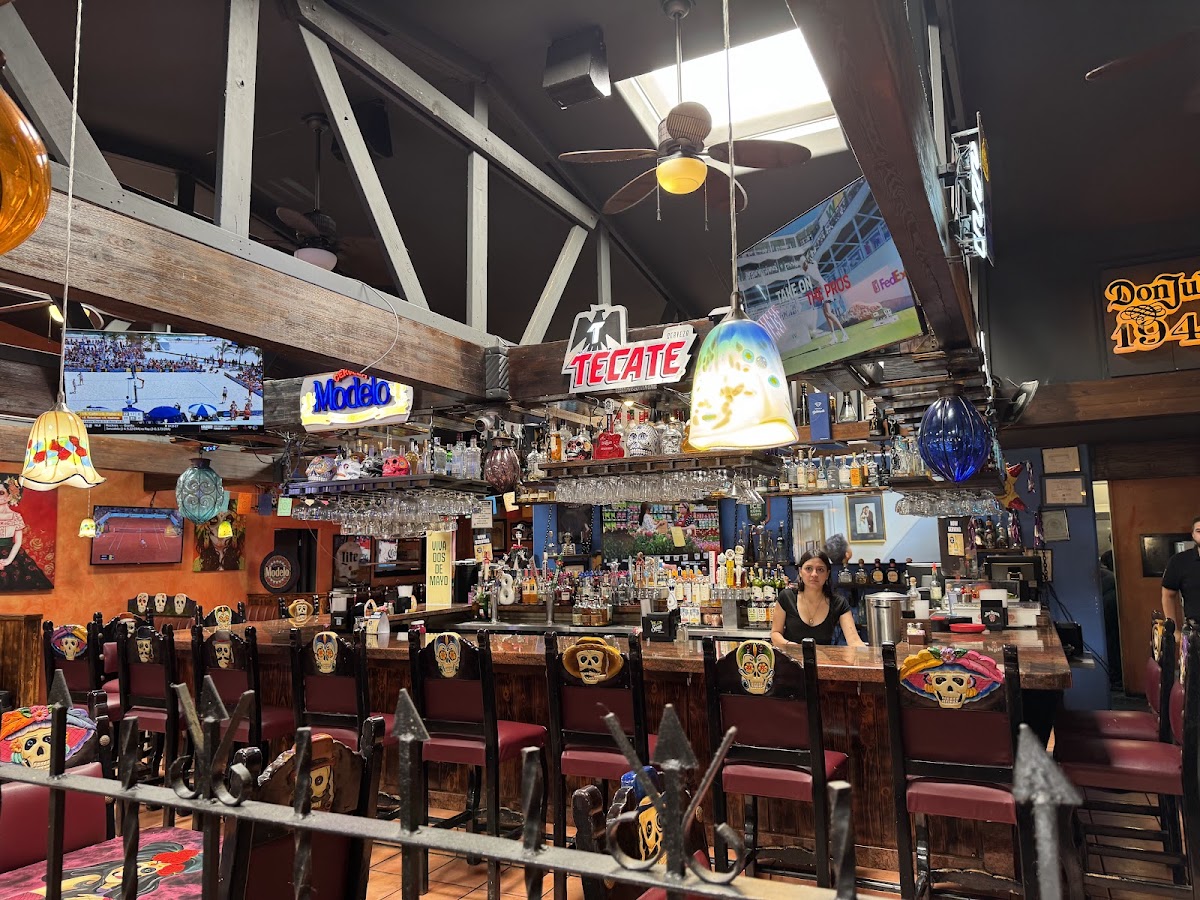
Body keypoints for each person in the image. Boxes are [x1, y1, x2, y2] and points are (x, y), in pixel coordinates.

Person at [772, 550, 865, 648]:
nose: (814, 574)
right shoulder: (786, 597)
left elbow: (854, 640)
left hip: (823, 657)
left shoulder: (838, 603)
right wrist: (792, 647)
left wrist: (867, 653)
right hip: (790, 656)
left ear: (827, 574)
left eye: (820, 570)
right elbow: (775, 633)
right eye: (808, 568)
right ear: (800, 572)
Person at [1162, 516, 1200, 625]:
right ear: (1193, 535)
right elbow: (1168, 595)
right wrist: (1173, 630)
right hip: (1195, 629)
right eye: (1199, 531)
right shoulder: (1179, 561)